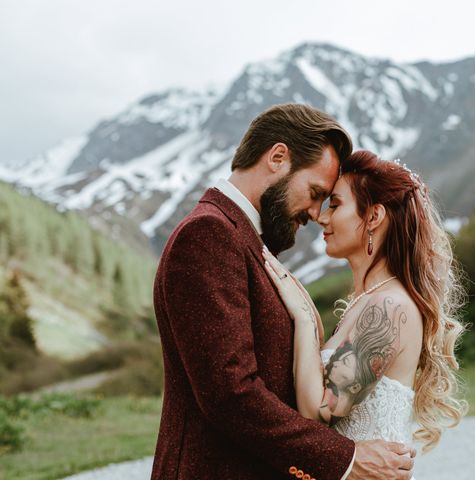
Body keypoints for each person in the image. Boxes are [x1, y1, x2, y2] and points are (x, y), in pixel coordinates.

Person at [151, 104, 416, 480]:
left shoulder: (242, 240)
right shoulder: (208, 235)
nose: (314, 213)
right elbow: (231, 394)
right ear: (277, 157)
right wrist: (346, 459)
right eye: (314, 192)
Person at [263, 150, 468, 463]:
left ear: (373, 216)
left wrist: (303, 320)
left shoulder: (389, 307)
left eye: (336, 204)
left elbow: (318, 412)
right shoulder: (367, 301)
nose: (322, 217)